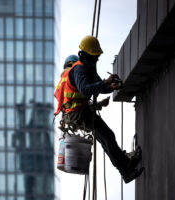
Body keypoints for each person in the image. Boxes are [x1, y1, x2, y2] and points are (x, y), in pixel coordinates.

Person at [55, 35, 143, 183]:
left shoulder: (89, 69)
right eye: (94, 57)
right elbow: (85, 90)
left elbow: (97, 87)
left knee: (105, 138)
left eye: (97, 57)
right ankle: (125, 168)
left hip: (79, 112)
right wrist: (105, 83)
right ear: (85, 55)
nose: (96, 60)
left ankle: (125, 166)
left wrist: (111, 87)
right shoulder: (78, 70)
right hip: (78, 114)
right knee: (107, 136)